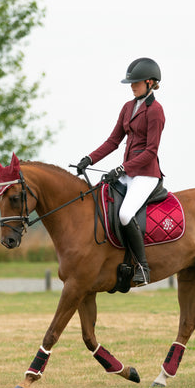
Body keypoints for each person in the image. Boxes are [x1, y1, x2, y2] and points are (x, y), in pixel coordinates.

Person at [75, 57, 165, 286]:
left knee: (125, 214)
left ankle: (143, 267)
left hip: (146, 174)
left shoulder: (155, 111)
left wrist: (122, 168)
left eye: (136, 82)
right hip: (128, 172)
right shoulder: (127, 107)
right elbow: (113, 141)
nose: (132, 86)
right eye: (131, 82)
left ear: (150, 82)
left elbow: (151, 151)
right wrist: (89, 158)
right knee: (102, 200)